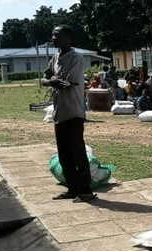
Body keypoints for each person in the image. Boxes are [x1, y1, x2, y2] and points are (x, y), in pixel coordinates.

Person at [42, 25, 95, 203]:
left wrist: (53, 81)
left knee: (78, 153)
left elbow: (67, 83)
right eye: (53, 35)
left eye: (57, 35)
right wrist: (51, 80)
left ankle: (86, 191)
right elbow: (46, 77)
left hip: (73, 112)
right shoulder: (55, 57)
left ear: (68, 38)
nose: (53, 38)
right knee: (64, 155)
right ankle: (72, 189)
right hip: (59, 113)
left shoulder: (76, 58)